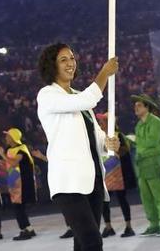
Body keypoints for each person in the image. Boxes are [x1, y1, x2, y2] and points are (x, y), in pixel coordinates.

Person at [35, 43, 120, 251]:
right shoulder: (47, 95)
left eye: (72, 58)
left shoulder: (78, 96)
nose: (70, 63)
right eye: (63, 59)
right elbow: (88, 100)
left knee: (82, 244)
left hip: (93, 180)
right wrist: (104, 74)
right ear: (51, 65)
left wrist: (108, 143)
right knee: (92, 241)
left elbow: (96, 136)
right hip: (68, 182)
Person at [131, 94, 160, 237]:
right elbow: (142, 145)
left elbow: (152, 143)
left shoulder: (156, 122)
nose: (135, 108)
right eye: (135, 105)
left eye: (139, 105)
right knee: (147, 197)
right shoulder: (138, 125)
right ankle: (153, 224)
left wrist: (140, 149)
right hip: (143, 166)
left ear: (147, 107)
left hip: (155, 164)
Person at [95, 114, 135, 239]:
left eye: (102, 121)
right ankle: (108, 227)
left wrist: (117, 151)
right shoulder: (99, 136)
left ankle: (128, 226)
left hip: (117, 173)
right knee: (104, 201)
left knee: (122, 199)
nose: (100, 123)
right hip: (105, 173)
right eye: (99, 121)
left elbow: (125, 150)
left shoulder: (117, 135)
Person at [0, 128, 38, 241]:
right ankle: (28, 229)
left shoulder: (21, 149)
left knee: (19, 207)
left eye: (8, 136)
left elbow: (13, 163)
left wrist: (1, 154)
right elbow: (6, 165)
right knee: (18, 207)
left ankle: (25, 230)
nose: (6, 138)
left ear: (13, 137)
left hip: (22, 183)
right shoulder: (9, 149)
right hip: (15, 183)